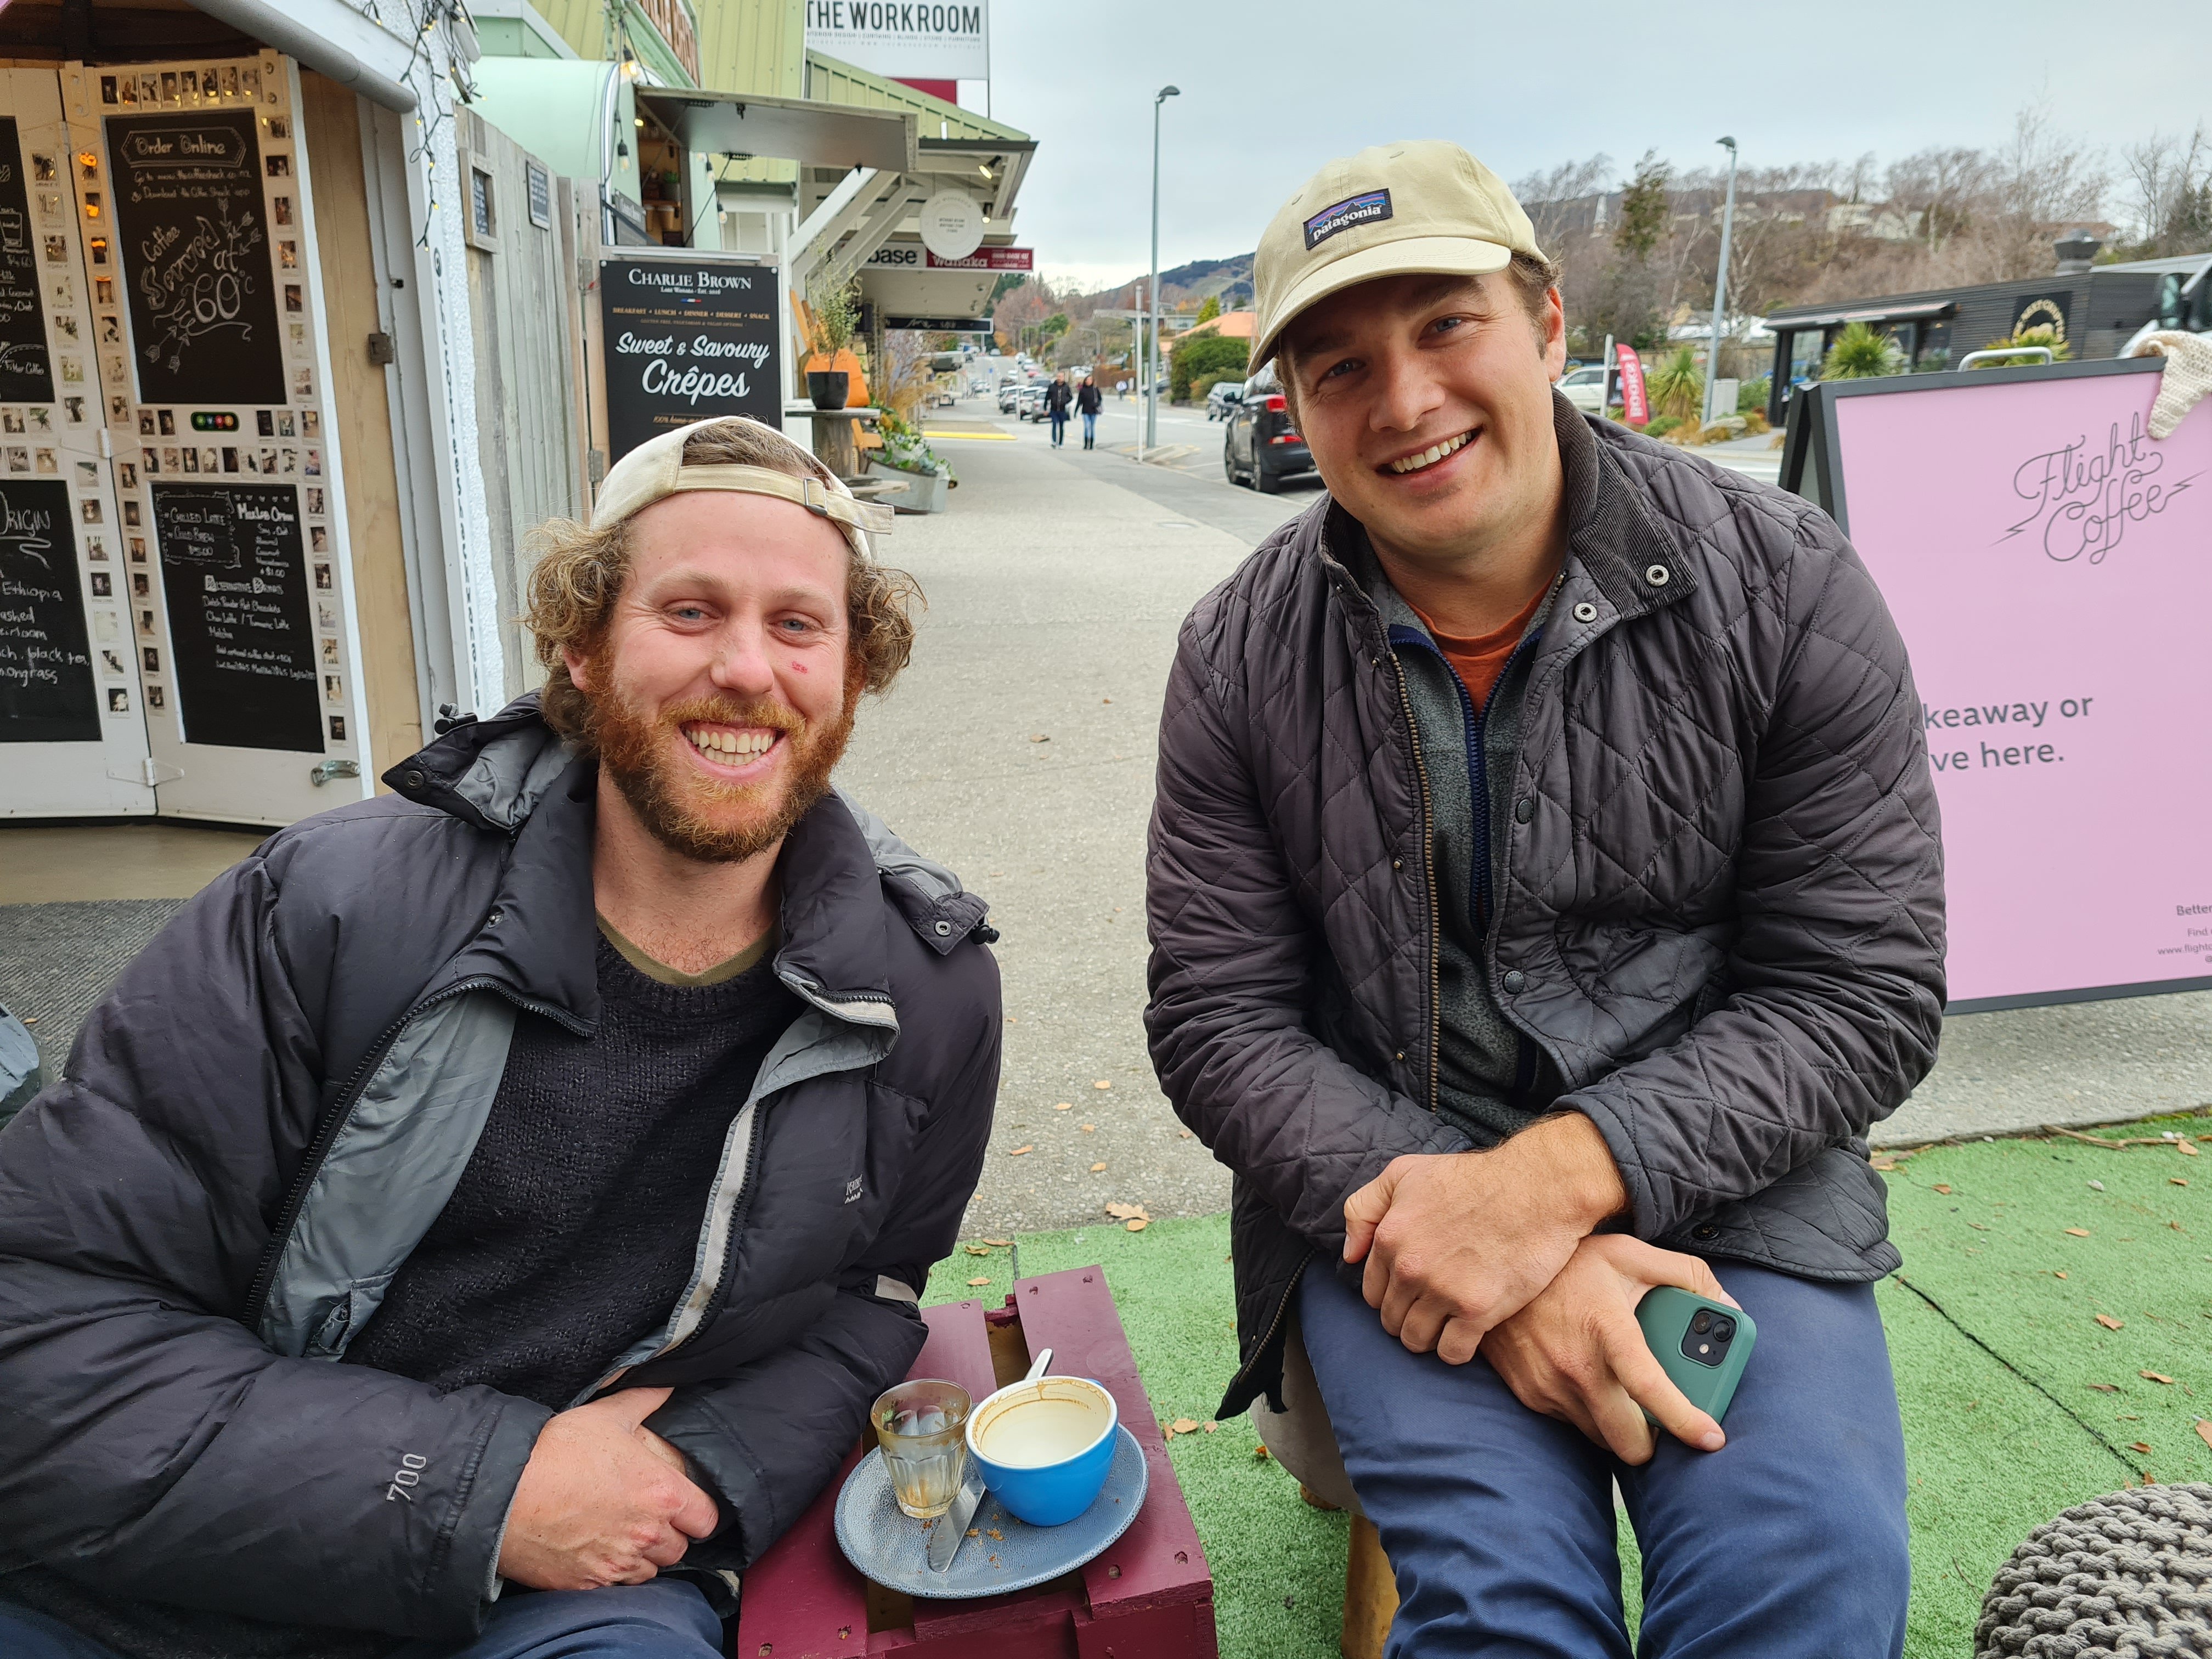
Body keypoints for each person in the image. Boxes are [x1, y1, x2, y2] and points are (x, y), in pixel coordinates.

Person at [0, 416, 1002, 1659]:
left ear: (852, 672)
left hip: (570, 1599)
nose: (748, 668)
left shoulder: (926, 995)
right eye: (689, 612)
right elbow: (39, 1329)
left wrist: (692, 1479)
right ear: (580, 649)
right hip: (173, 1578)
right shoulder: (326, 912)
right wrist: (489, 1495)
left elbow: (867, 1296)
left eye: (798, 625)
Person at [1145, 142, 1941, 1658]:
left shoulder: (1787, 585)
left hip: (1738, 1187)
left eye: (1446, 325)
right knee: (1506, 1616)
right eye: (1337, 367)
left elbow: (1861, 992)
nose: (1403, 401)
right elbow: (1218, 1021)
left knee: (1809, 1582)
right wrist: (1487, 1234)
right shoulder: (1239, 653)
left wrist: (1554, 1188)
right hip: (1388, 1187)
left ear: (1550, 323)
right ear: (1296, 409)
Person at [1045, 371, 1073, 447]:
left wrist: (1065, 402)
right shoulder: (1052, 387)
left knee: (1061, 426)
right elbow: (1047, 398)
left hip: (1062, 410)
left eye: (1061, 376)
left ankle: (1060, 443)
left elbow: (1071, 397)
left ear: (1064, 377)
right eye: (1058, 376)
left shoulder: (1066, 387)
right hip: (1054, 409)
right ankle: (1054, 441)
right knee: (1054, 424)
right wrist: (1045, 409)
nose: (1059, 378)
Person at [1076, 375, 1103, 449]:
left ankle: (1091, 444)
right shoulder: (1083, 390)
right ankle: (1086, 444)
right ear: (1085, 381)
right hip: (1085, 411)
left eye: (1090, 380)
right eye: (1087, 380)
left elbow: (1100, 399)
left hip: (1094, 411)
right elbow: (1079, 401)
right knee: (1087, 427)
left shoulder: (1095, 389)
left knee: (1092, 427)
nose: (1089, 381)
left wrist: (1097, 404)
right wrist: (1076, 411)